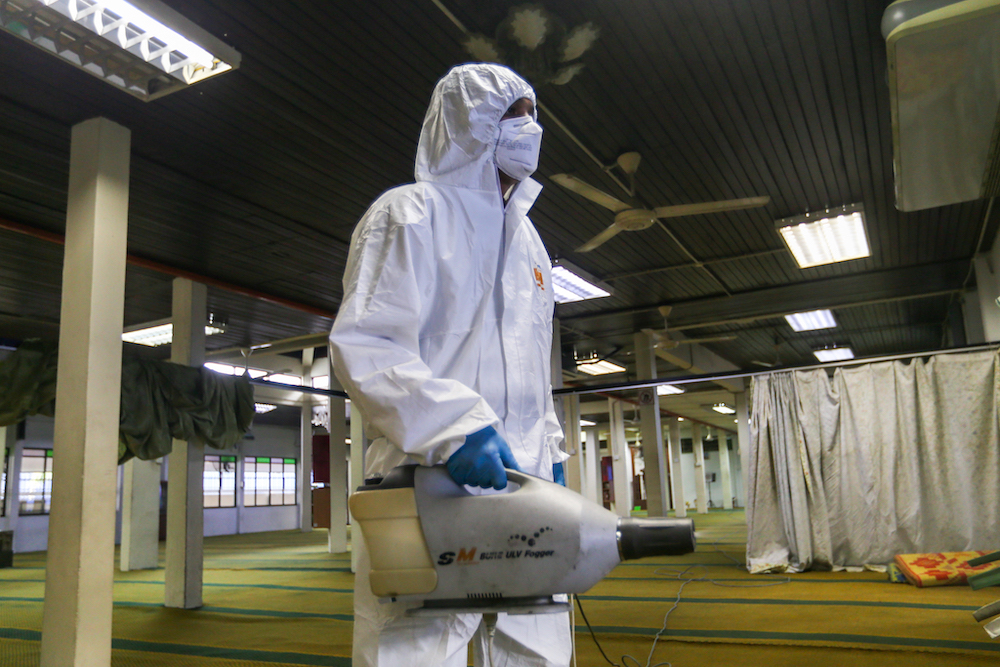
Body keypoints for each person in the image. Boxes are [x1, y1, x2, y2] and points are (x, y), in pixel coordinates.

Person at [329, 63, 571, 666]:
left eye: (532, 114)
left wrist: (553, 453)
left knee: (534, 644)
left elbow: (532, 377)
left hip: (525, 485)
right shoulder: (408, 215)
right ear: (470, 125)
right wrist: (456, 428)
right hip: (428, 482)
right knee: (414, 646)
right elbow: (368, 344)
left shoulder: (529, 244)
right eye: (513, 114)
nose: (529, 128)